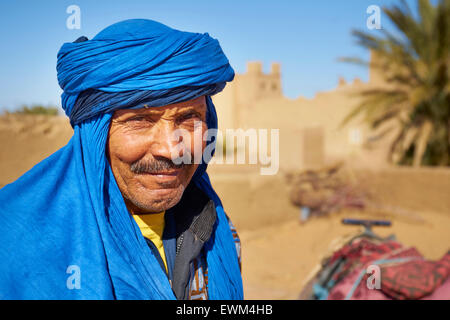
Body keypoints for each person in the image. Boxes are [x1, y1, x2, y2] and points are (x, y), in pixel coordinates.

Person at [0, 19, 243, 300]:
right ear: (96, 134)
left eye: (188, 118)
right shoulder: (15, 247)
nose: (171, 149)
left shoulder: (216, 229)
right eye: (139, 120)